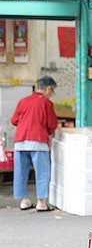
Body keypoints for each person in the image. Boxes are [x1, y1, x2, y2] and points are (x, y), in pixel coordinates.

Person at [11, 76, 58, 212]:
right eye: (52, 91)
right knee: (42, 172)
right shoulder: (46, 103)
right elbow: (52, 124)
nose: (52, 94)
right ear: (48, 88)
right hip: (38, 141)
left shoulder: (23, 101)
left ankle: (24, 201)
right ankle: (41, 202)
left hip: (20, 142)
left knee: (20, 172)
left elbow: (14, 120)